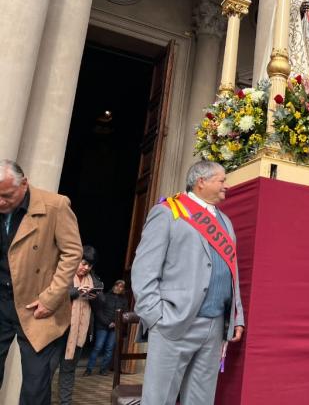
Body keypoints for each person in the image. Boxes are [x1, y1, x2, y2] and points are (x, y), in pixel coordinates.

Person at [132, 160, 244, 405]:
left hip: (215, 327)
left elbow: (232, 272)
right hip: (174, 323)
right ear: (201, 181)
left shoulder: (226, 222)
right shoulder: (167, 212)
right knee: (158, 400)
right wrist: (157, 317)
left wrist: (237, 317)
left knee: (201, 400)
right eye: (222, 180)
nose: (227, 185)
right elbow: (144, 270)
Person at [0, 160, 82, 405]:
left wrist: (52, 297)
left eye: (6, 195)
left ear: (24, 184)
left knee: (35, 388)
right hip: (1, 300)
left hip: (37, 307)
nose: (1, 202)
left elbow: (72, 253)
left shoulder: (55, 205)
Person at [58, 246, 102, 405]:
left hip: (78, 334)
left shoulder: (94, 280)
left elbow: (101, 305)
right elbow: (55, 294)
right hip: (59, 331)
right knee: (46, 371)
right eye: (83, 263)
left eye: (89, 265)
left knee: (68, 371)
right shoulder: (64, 273)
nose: (85, 268)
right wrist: (76, 291)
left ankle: (65, 402)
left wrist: (94, 295)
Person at [85, 279, 128, 376]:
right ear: (114, 286)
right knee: (98, 347)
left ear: (123, 289)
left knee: (109, 348)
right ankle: (88, 369)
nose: (119, 288)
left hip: (115, 327)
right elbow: (99, 312)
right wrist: (108, 323)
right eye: (117, 285)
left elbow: (125, 313)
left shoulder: (124, 300)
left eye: (121, 286)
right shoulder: (105, 297)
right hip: (102, 326)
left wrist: (116, 323)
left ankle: (103, 369)